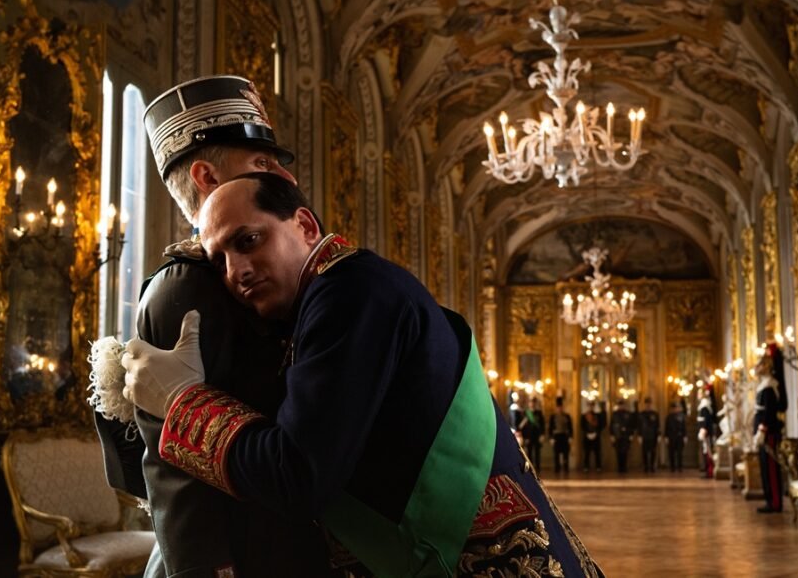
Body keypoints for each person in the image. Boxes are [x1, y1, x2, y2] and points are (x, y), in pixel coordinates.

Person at [123, 173, 602, 577]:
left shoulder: (346, 295)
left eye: (249, 241)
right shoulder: (348, 287)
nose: (236, 272)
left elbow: (298, 477)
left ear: (306, 225)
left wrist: (182, 400)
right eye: (219, 260)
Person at [94, 75, 334, 577]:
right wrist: (206, 569)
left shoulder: (238, 274)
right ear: (205, 176)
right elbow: (171, 461)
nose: (283, 179)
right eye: (261, 164)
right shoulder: (186, 285)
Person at [753, 344, 787, 513]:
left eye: (759, 364)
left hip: (769, 434)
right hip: (764, 433)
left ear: (766, 367)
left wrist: (762, 430)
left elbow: (769, 412)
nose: (756, 368)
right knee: (765, 467)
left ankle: (775, 502)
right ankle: (769, 500)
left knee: (772, 468)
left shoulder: (768, 387)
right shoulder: (763, 386)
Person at [518, 396, 545, 473]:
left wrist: (542, 435)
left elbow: (542, 425)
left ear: (535, 404)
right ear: (529, 404)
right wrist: (524, 436)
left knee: (537, 453)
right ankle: (530, 470)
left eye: (533, 402)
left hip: (537, 436)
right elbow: (520, 427)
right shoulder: (525, 413)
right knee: (529, 453)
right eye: (531, 402)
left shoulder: (539, 413)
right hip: (528, 437)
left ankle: (538, 468)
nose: (532, 404)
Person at [548, 398, 574, 474]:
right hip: (556, 436)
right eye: (558, 407)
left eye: (561, 407)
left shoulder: (567, 416)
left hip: (565, 436)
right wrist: (551, 438)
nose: (560, 409)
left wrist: (570, 437)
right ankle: (557, 468)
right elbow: (550, 428)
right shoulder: (553, 417)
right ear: (556, 408)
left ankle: (566, 468)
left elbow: (570, 427)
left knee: (566, 453)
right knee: (556, 453)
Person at [696, 386, 716, 478]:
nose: (698, 395)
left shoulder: (704, 406)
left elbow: (706, 420)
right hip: (704, 432)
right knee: (706, 452)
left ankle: (710, 471)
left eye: (699, 393)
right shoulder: (703, 405)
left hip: (706, 433)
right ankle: (708, 471)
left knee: (708, 452)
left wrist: (703, 430)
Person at [637, 396, 660, 473]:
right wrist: (639, 435)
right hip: (644, 435)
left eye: (649, 403)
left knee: (653, 451)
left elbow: (657, 425)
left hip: (653, 435)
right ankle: (646, 466)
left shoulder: (655, 414)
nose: (648, 405)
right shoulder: (641, 414)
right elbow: (639, 426)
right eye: (647, 404)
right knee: (644, 452)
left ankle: (652, 466)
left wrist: (659, 435)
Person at [610, 401, 633, 473]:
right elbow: (611, 425)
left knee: (625, 452)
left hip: (626, 436)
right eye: (620, 405)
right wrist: (612, 435)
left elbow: (631, 425)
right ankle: (619, 467)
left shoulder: (628, 414)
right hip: (617, 435)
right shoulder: (614, 414)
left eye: (622, 405)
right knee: (618, 452)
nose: (621, 406)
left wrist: (630, 434)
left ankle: (624, 467)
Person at [664, 401, 687, 472]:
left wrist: (685, 436)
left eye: (676, 408)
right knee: (671, 453)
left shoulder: (682, 416)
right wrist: (666, 436)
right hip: (671, 437)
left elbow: (684, 427)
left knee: (679, 453)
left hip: (679, 436)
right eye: (674, 408)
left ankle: (680, 467)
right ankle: (672, 467)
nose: (675, 409)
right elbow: (666, 427)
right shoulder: (669, 417)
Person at [581, 404, 603, 473]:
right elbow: (582, 426)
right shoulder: (584, 416)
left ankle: (598, 467)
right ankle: (586, 467)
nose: (590, 407)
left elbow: (600, 425)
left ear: (593, 407)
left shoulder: (597, 416)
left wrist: (596, 433)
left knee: (597, 453)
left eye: (592, 406)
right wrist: (587, 433)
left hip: (596, 436)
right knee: (587, 453)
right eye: (589, 406)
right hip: (587, 436)